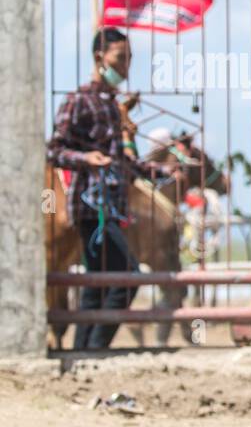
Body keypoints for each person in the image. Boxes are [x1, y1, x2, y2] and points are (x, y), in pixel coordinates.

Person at [47, 28, 179, 349]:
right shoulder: (78, 101)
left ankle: (82, 351)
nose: (125, 67)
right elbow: (54, 151)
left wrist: (157, 171)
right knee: (127, 277)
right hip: (93, 207)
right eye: (120, 58)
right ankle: (95, 348)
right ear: (99, 58)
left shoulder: (110, 106)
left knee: (98, 284)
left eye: (129, 59)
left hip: (112, 207)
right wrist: (85, 158)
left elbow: (123, 163)